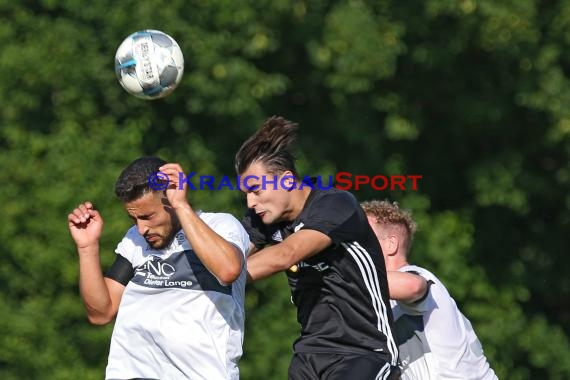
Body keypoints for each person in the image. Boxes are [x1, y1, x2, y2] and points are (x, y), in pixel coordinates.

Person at [235, 116, 400, 380]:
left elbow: (284, 255)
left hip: (364, 352)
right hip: (309, 354)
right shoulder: (262, 218)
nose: (250, 202)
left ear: (287, 181)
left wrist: (226, 273)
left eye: (255, 190)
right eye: (245, 194)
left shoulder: (336, 205)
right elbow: (226, 255)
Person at [67, 156, 250, 380]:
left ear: (171, 198)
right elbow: (100, 313)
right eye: (134, 219)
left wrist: (182, 206)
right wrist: (87, 247)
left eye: (148, 216)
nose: (142, 228)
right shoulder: (134, 241)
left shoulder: (220, 225)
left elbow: (228, 270)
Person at [362, 199, 498, 380]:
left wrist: (341, 276)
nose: (354, 248)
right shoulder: (381, 302)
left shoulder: (415, 275)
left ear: (391, 244)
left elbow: (412, 286)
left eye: (362, 238)